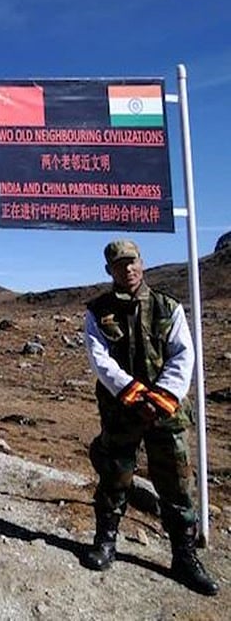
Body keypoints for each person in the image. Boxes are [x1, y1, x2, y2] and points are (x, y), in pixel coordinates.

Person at [81, 240, 218, 595]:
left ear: (142, 264)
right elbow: (100, 360)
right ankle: (106, 541)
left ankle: (184, 556)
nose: (128, 269)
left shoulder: (167, 307)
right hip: (121, 410)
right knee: (114, 476)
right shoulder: (97, 312)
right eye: (119, 264)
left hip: (165, 414)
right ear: (109, 269)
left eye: (133, 262)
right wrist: (133, 394)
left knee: (175, 483)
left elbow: (182, 354)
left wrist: (160, 397)